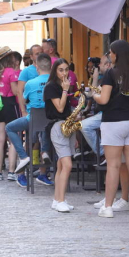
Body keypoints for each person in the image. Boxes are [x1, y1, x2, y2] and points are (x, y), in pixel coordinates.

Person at [91, 40, 129, 218]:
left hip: (114, 122)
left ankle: (108, 207)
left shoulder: (111, 73)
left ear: (116, 54)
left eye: (110, 52)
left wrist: (94, 94)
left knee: (113, 165)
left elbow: (103, 100)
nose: (109, 55)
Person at [6, 54, 53, 185]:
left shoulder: (31, 83)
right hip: (51, 120)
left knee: (9, 128)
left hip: (32, 120)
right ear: (51, 66)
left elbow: (25, 99)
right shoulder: (56, 82)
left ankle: (23, 156)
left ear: (37, 67)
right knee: (45, 129)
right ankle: (44, 152)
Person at [43, 58, 75, 213]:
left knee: (61, 165)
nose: (64, 73)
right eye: (61, 70)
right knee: (67, 164)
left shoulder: (62, 85)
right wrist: (65, 90)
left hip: (67, 126)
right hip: (57, 127)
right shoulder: (51, 87)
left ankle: (57, 200)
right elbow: (60, 108)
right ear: (55, 70)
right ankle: (61, 200)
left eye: (66, 69)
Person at [0, 46, 21, 181]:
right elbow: (14, 92)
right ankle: (12, 171)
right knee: (13, 138)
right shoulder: (11, 72)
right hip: (9, 104)